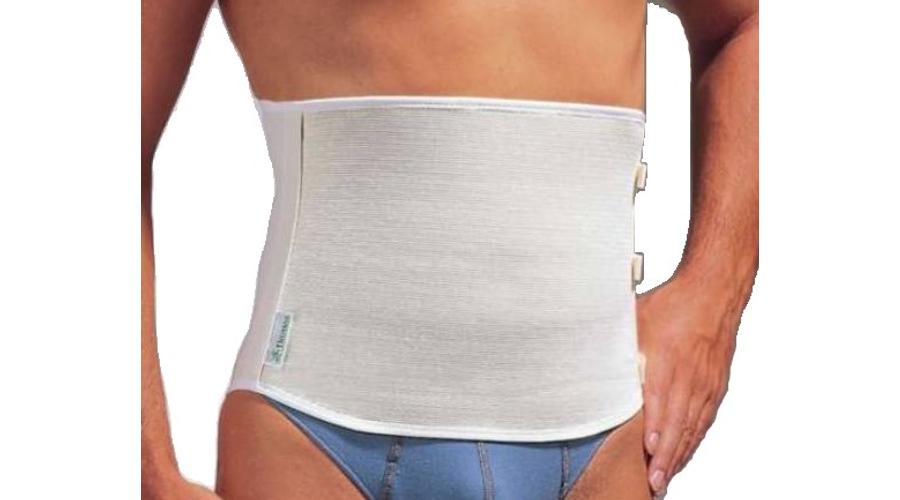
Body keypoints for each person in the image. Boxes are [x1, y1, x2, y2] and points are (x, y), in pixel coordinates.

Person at [142, 0, 758, 498]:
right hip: (320, 437)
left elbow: (745, 26)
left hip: (608, 439)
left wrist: (714, 292)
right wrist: (149, 473)